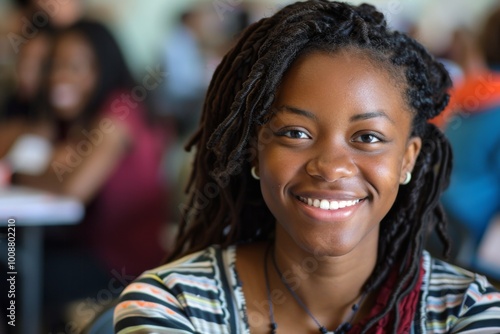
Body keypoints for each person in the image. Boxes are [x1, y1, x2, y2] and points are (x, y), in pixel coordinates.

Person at [114, 1, 500, 333]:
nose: (331, 167)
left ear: (407, 159)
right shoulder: (173, 305)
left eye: (367, 137)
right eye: (296, 133)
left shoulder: (468, 312)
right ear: (254, 151)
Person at [8, 20, 169, 330]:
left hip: (122, 265)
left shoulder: (119, 112)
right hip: (92, 250)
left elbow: (74, 187)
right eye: (54, 65)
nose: (60, 76)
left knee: (11, 274)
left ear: (103, 68)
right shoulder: (87, 118)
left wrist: (17, 176)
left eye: (76, 66)